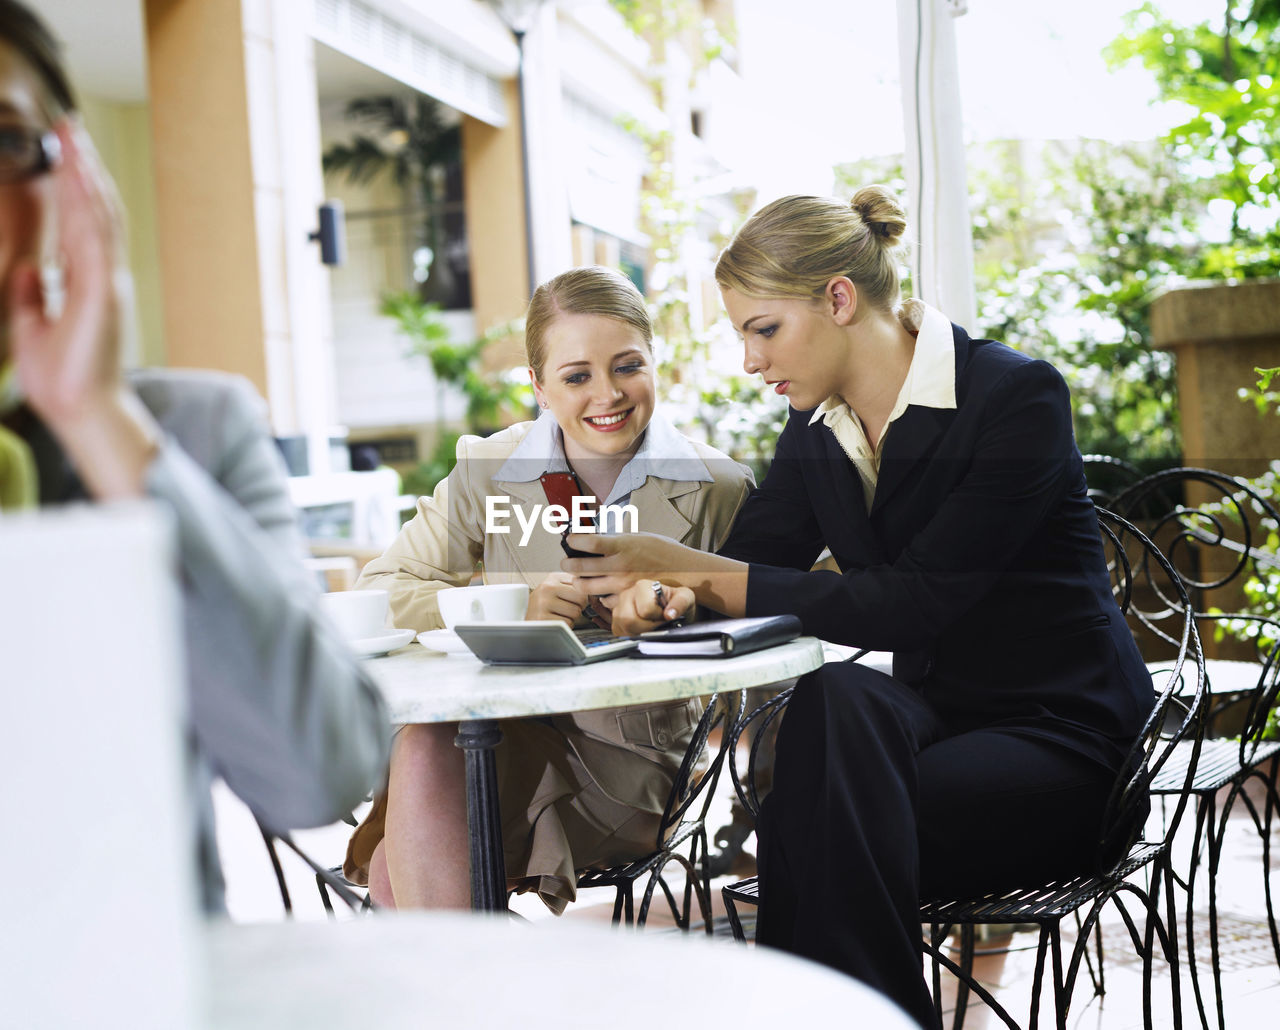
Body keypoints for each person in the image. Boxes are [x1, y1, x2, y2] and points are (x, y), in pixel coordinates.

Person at [566, 190, 1154, 1027]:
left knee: (817, 817)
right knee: (835, 703)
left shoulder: (1015, 396)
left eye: (761, 328)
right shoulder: (819, 427)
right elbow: (752, 564)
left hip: (1068, 743)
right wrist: (654, 596)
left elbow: (912, 603)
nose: (748, 360)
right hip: (934, 733)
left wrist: (695, 568)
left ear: (838, 298)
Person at [0, 0, 391, 911]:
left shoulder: (190, 431)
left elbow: (320, 771)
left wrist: (99, 422)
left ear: (68, 180)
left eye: (4, 140)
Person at [344, 264, 753, 913]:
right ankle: (503, 992)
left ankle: (494, 992)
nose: (607, 395)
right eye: (576, 376)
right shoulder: (491, 468)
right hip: (504, 734)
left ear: (654, 362)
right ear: (538, 385)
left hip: (634, 759)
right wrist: (511, 610)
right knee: (423, 743)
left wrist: (681, 606)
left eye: (627, 366)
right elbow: (387, 585)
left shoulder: (717, 486)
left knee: (404, 870)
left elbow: (768, 617)